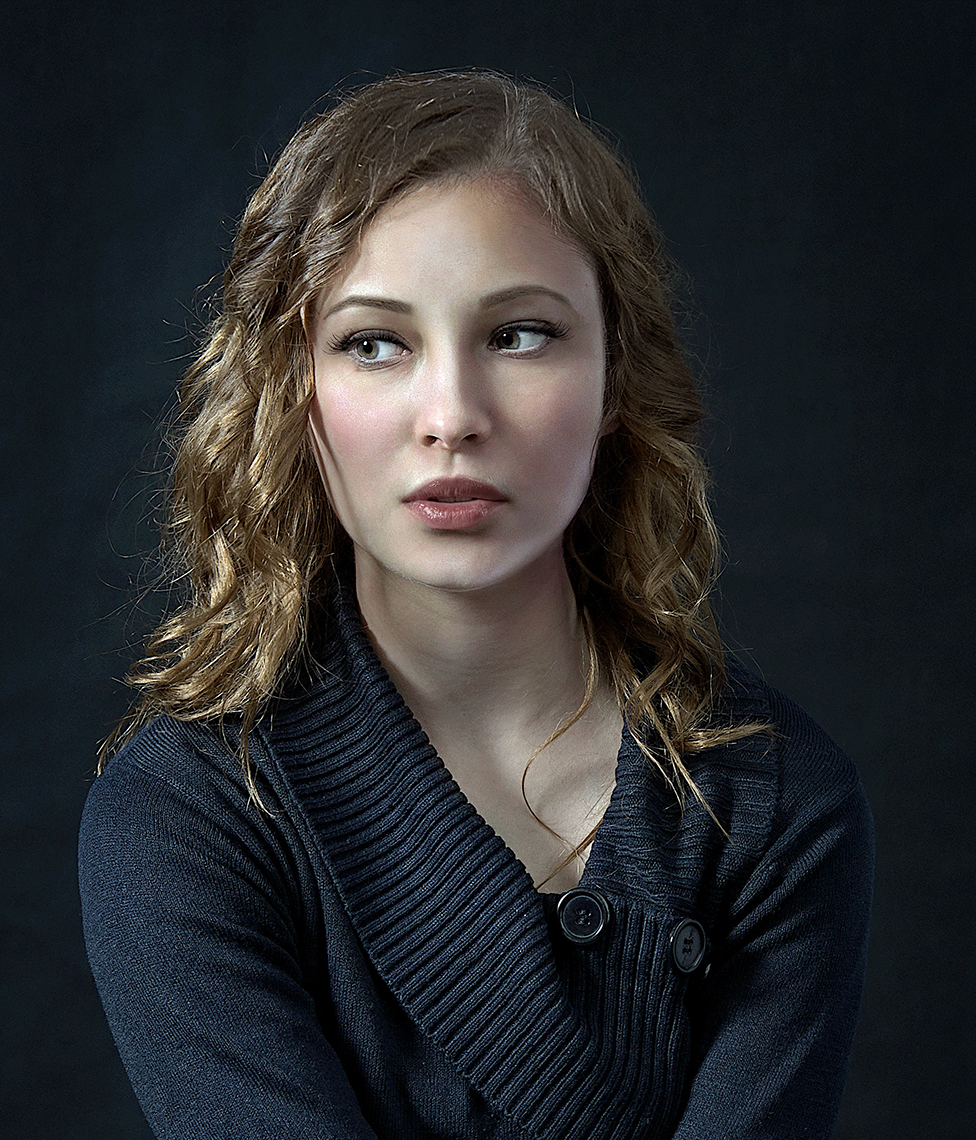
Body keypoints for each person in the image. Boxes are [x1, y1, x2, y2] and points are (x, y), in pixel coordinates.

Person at [79, 70, 874, 1139]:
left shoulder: (776, 807)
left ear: (614, 382)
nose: (450, 415)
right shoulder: (191, 817)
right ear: (291, 395)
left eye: (519, 334)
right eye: (374, 343)